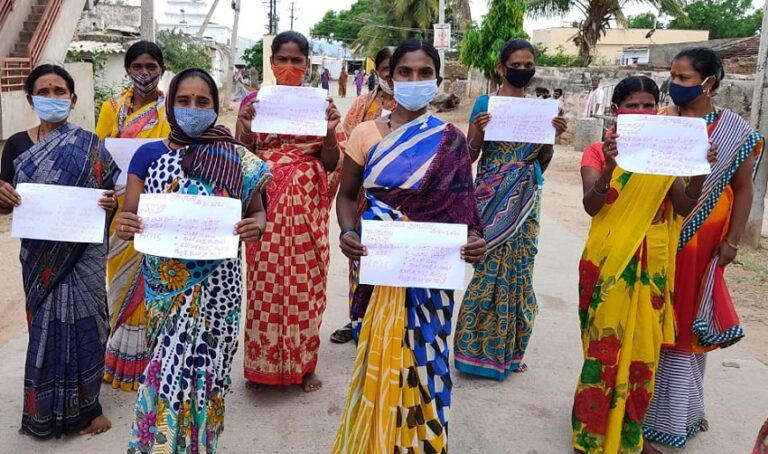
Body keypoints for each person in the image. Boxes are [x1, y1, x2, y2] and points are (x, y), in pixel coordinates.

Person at [333, 38, 486, 453]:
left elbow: (465, 210)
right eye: (405, 72)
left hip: (430, 273)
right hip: (379, 263)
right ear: (388, 76)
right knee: (379, 355)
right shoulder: (365, 133)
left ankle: (422, 444)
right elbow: (346, 196)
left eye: (424, 74)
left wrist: (474, 241)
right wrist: (348, 232)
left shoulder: (450, 140)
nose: (414, 80)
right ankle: (376, 441)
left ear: (436, 79)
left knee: (427, 359)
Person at [116, 68, 270, 453]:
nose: (192, 108)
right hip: (166, 291)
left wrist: (257, 227)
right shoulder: (149, 155)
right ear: (170, 104)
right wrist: (125, 223)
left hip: (218, 287)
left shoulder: (237, 157)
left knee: (207, 380)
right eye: (183, 100)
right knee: (165, 374)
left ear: (216, 108)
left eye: (203, 102)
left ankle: (202, 446)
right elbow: (130, 215)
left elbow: (258, 212)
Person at [572, 76, 716, 453]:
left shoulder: (662, 153)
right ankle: (591, 436)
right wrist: (610, 169)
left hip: (652, 265)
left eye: (648, 105)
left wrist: (699, 169)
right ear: (617, 109)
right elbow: (592, 205)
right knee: (603, 349)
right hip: (607, 262)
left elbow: (684, 206)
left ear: (658, 107)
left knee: (642, 352)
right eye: (632, 106)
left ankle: (629, 433)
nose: (641, 112)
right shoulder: (597, 151)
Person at [644, 47, 764, 450]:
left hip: (704, 242)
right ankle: (641, 408)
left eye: (683, 79)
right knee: (653, 316)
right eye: (672, 77)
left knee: (685, 322)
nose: (673, 85)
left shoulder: (734, 130)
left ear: (708, 83)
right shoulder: (662, 122)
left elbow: (744, 188)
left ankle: (679, 414)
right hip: (659, 236)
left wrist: (732, 241)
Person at [0, 64, 117, 437]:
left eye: (60, 91)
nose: (53, 98)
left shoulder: (91, 145)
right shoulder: (17, 145)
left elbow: (109, 194)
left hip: (84, 256)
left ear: (73, 98)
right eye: (44, 91)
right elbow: (7, 202)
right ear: (31, 98)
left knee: (88, 325)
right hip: (40, 258)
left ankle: (90, 408)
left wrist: (110, 204)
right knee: (45, 330)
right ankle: (43, 412)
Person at [454, 39, 567, 379]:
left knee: (519, 275)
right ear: (502, 68)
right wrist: (476, 130)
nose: (523, 70)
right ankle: (472, 351)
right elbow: (469, 158)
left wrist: (552, 138)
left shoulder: (540, 109)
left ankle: (508, 353)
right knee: (487, 272)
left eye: (528, 64)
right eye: (516, 64)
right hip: (489, 195)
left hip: (526, 199)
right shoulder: (486, 103)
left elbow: (542, 163)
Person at [236, 31, 342, 393]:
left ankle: (305, 365)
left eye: (297, 60)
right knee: (264, 284)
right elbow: (242, 156)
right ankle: (260, 365)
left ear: (307, 64)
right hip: (266, 204)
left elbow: (330, 163)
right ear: (271, 62)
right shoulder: (254, 102)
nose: (289, 66)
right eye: (282, 59)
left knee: (307, 283)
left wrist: (329, 132)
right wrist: (245, 128)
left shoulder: (319, 103)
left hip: (306, 209)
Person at [95, 40, 170, 392]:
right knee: (120, 283)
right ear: (128, 70)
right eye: (137, 67)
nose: (144, 73)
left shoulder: (172, 108)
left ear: (162, 70)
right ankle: (120, 361)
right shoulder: (112, 108)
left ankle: (151, 360)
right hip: (119, 211)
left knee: (153, 283)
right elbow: (100, 154)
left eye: (151, 67)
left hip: (157, 207)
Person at [330, 47, 398, 345]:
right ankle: (358, 318)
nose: (392, 76)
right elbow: (345, 143)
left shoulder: (413, 109)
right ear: (378, 72)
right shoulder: (362, 105)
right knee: (360, 257)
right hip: (362, 197)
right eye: (386, 69)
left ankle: (388, 323)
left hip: (400, 201)